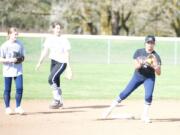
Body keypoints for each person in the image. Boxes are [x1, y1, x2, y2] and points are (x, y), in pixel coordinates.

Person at [102, 35, 161, 123]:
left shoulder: (156, 56)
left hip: (149, 77)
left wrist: (155, 66)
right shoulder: (139, 52)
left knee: (148, 95)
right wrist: (141, 63)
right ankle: (109, 110)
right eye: (148, 42)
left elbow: (159, 73)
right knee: (125, 93)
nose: (150, 44)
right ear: (145, 43)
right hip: (138, 76)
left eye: (152, 43)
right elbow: (136, 67)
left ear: (154, 44)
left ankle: (144, 116)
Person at [36, 22, 72, 109]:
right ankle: (59, 102)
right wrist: (39, 62)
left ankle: (57, 99)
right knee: (55, 81)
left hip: (62, 62)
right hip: (53, 62)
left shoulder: (64, 39)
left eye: (59, 28)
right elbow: (45, 51)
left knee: (50, 79)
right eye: (56, 28)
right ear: (53, 29)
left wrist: (68, 67)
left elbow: (67, 53)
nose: (58, 30)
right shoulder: (49, 39)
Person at [0, 27, 25, 115]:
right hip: (7, 71)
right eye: (14, 34)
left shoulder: (20, 44)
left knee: (19, 88)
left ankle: (18, 107)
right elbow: (0, 59)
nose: (16, 35)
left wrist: (20, 59)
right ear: (9, 34)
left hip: (18, 70)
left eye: (16, 33)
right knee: (7, 90)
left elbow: (23, 57)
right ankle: (7, 108)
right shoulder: (4, 45)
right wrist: (10, 60)